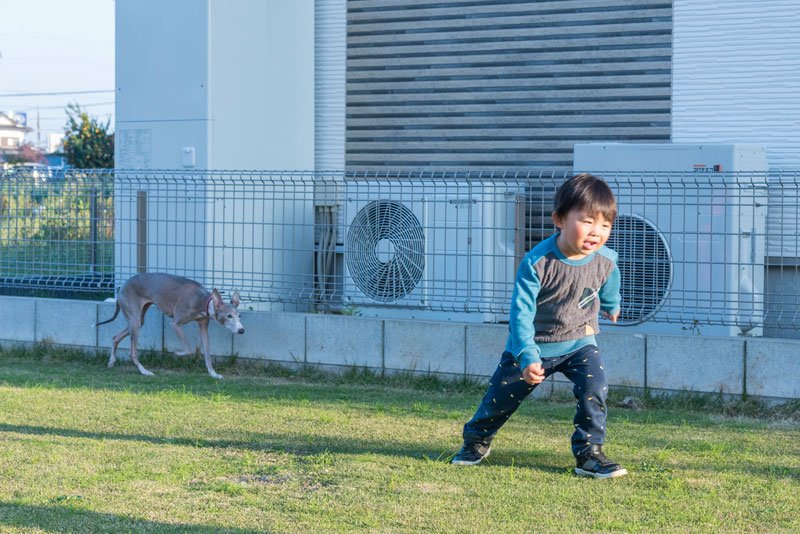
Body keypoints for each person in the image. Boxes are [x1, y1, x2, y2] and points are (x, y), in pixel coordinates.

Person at [451, 173, 627, 479]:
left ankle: (589, 454)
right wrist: (528, 356)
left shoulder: (606, 259)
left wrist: (612, 305)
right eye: (587, 221)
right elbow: (520, 314)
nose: (596, 232)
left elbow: (610, 280)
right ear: (559, 219)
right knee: (501, 398)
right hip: (534, 344)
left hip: (580, 341)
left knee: (594, 388)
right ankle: (477, 438)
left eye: (605, 225)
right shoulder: (536, 263)